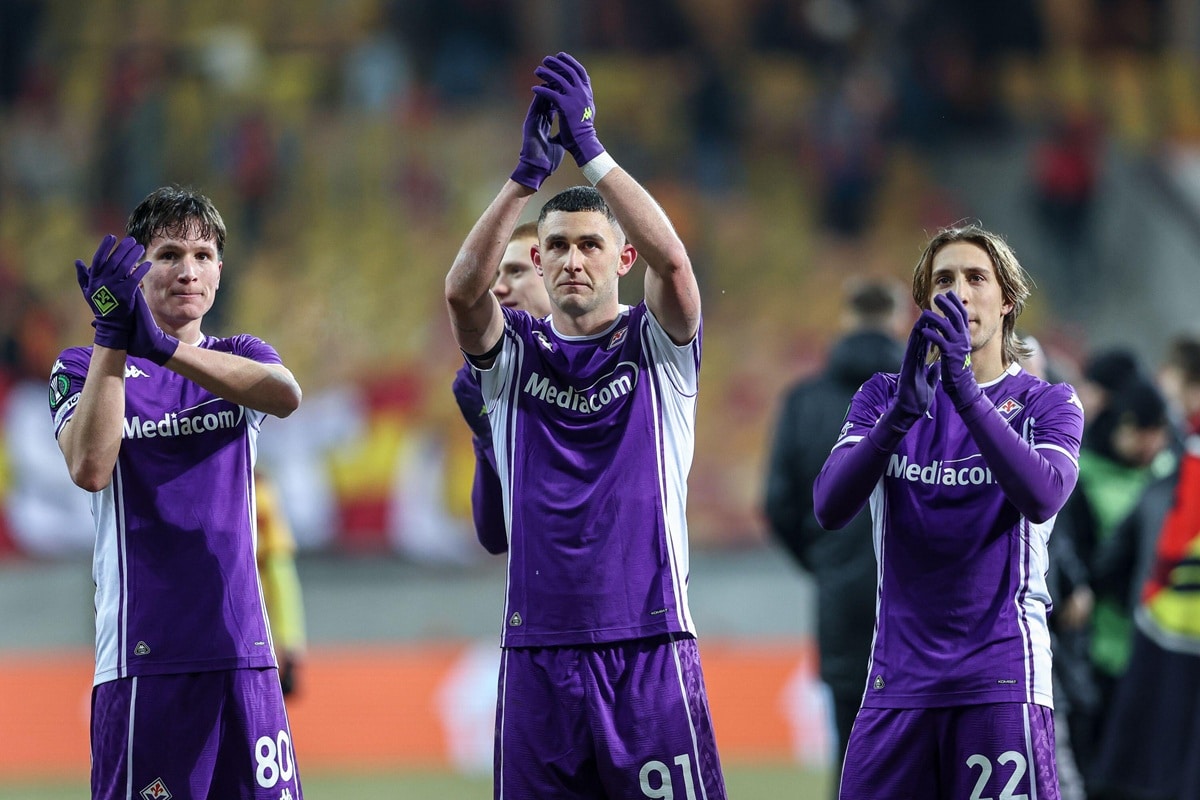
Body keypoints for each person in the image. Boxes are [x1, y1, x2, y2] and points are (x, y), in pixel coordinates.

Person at [443, 52, 727, 799]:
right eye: (558, 247)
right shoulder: (515, 359)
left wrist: (593, 152)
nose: (572, 260)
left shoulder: (655, 348)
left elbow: (676, 263)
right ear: (538, 258)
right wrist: (522, 180)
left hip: (650, 642)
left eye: (590, 244)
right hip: (538, 653)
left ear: (620, 258)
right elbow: (463, 292)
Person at [813, 223, 1085, 799]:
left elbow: (1042, 497)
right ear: (924, 302)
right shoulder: (885, 397)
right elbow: (828, 506)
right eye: (944, 279)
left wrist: (962, 389)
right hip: (898, 681)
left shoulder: (1048, 401)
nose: (958, 291)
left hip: (1001, 679)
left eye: (975, 277)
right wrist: (899, 419)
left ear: (1006, 299)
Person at [50, 186, 304, 800]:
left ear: (220, 268)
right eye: (167, 254)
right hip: (144, 661)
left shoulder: (240, 357)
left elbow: (285, 395)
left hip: (244, 657)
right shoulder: (83, 367)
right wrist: (115, 337)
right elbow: (90, 465)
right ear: (140, 269)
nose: (187, 270)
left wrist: (162, 347)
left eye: (203, 253)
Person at [763, 279, 906, 788]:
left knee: (851, 752)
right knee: (924, 749)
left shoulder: (804, 401)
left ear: (845, 319)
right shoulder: (928, 394)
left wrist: (823, 560)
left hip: (841, 595)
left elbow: (778, 504)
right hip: (917, 601)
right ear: (897, 320)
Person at [1087, 332, 1200, 800]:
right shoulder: (1177, 461)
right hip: (1145, 637)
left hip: (1162, 634)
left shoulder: (1184, 462)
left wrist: (1150, 593)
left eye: (1170, 375)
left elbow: (1167, 546)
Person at [451, 220, 552, 554]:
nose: (498, 289)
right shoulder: (478, 381)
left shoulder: (614, 359)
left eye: (516, 271)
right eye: (496, 276)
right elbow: (495, 536)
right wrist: (486, 439)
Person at [256, 467, 308, 698]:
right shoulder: (257, 486)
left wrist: (289, 643)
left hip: (249, 611)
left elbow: (281, 579)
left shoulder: (257, 490)